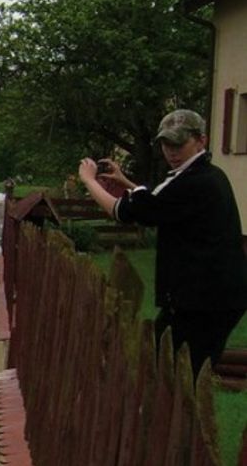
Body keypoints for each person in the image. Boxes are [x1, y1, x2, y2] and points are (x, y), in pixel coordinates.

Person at [78, 109, 247, 378]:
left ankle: (179, 418)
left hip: (203, 301)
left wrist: (88, 179)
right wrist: (126, 183)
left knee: (170, 374)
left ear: (201, 141)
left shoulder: (194, 182)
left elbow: (123, 212)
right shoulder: (207, 175)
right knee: (170, 368)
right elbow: (158, 202)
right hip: (215, 297)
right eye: (166, 143)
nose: (171, 151)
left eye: (179, 144)